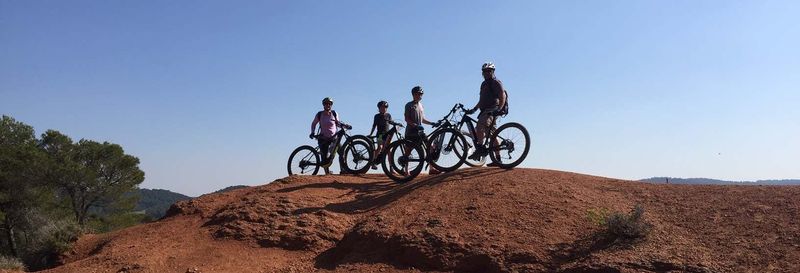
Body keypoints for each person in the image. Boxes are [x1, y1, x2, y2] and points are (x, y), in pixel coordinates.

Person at [466, 62, 506, 166]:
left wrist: (499, 109)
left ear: (493, 71)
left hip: (492, 109)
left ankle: (479, 148)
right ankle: (498, 159)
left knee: (480, 125)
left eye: (489, 71)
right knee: (492, 134)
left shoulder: (496, 82)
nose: (486, 73)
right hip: (484, 110)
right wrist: (474, 109)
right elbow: (481, 100)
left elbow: (502, 96)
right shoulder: (483, 84)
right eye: (484, 71)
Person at [404, 86, 440, 174]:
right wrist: (415, 125)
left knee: (430, 147)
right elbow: (407, 119)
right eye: (418, 94)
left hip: (420, 132)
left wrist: (432, 123)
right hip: (411, 132)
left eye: (421, 94)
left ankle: (431, 169)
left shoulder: (421, 105)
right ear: (413, 95)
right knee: (408, 151)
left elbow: (422, 119)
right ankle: (405, 171)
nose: (420, 96)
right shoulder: (409, 105)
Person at [310, 97, 340, 174]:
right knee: (325, 158)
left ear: (331, 105)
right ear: (323, 105)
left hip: (334, 138)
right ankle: (327, 172)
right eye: (326, 103)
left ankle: (343, 169)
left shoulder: (334, 113)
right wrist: (312, 132)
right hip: (324, 138)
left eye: (329, 104)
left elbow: (338, 123)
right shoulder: (320, 114)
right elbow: (313, 123)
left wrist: (345, 125)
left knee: (342, 152)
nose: (328, 105)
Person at [369, 101, 393, 170]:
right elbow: (374, 125)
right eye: (382, 107)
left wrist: (396, 124)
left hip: (387, 135)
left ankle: (391, 167)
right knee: (380, 147)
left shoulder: (388, 115)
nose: (384, 109)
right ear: (379, 108)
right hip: (379, 135)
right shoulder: (377, 116)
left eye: (385, 107)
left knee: (389, 150)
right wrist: (371, 133)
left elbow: (391, 122)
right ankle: (373, 162)